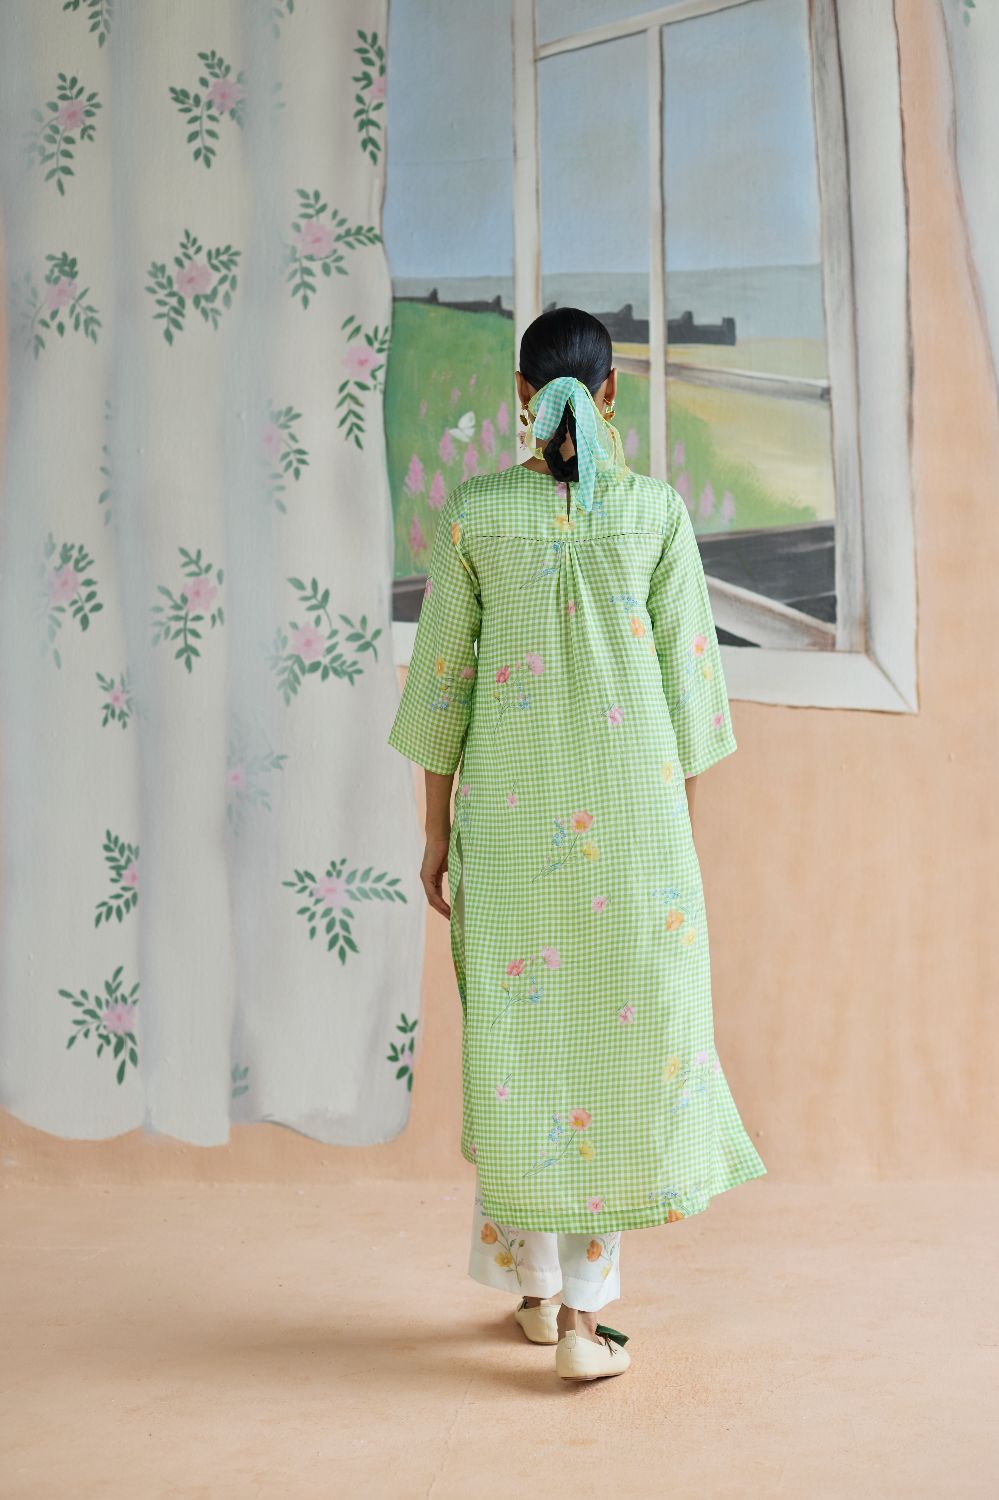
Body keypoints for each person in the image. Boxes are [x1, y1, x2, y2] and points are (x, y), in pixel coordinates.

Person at [387, 307, 766, 1383]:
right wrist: (667, 839)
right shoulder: (653, 513)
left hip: (507, 831)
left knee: (523, 1054)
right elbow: (693, 700)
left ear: (521, 395)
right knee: (616, 1057)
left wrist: (434, 833)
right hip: (633, 834)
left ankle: (533, 1288)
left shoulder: (475, 515)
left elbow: (443, 692)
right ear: (609, 396)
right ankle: (581, 1326)